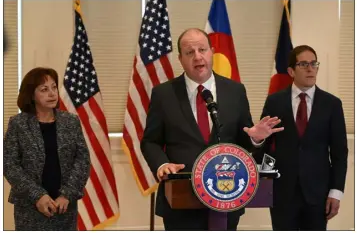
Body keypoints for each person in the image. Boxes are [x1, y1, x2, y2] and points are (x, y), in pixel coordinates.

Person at [141, 28, 283, 230]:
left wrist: (255, 139)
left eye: (202, 49)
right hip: (180, 200)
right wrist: (162, 165)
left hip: (227, 196)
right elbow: (150, 141)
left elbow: (243, 142)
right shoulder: (164, 94)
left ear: (212, 52)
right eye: (190, 52)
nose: (197, 56)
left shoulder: (235, 91)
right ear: (180, 59)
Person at [254, 45, 348, 230]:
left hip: (318, 193)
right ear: (291, 71)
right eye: (303, 64)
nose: (310, 68)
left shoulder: (332, 104)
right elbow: (264, 145)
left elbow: (339, 153)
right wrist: (262, 178)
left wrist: (336, 193)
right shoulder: (275, 102)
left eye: (314, 63)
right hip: (282, 192)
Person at [3, 67, 91, 230]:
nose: (52, 93)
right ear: (31, 95)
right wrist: (38, 196)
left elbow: (82, 160)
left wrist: (67, 194)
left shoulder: (70, 121)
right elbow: (9, 165)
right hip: (29, 208)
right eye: (44, 89)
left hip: (64, 206)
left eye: (54, 87)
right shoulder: (18, 124)